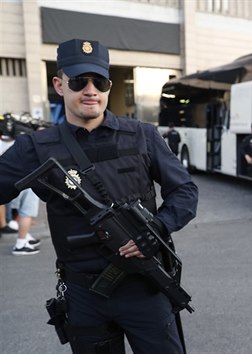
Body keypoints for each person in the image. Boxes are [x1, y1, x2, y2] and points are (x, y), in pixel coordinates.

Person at [0, 39, 198, 353]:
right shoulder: (35, 148)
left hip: (144, 286)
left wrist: (159, 227)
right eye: (79, 81)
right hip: (85, 293)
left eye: (100, 82)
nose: (90, 90)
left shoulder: (142, 135)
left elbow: (185, 191)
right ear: (59, 85)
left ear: (108, 86)